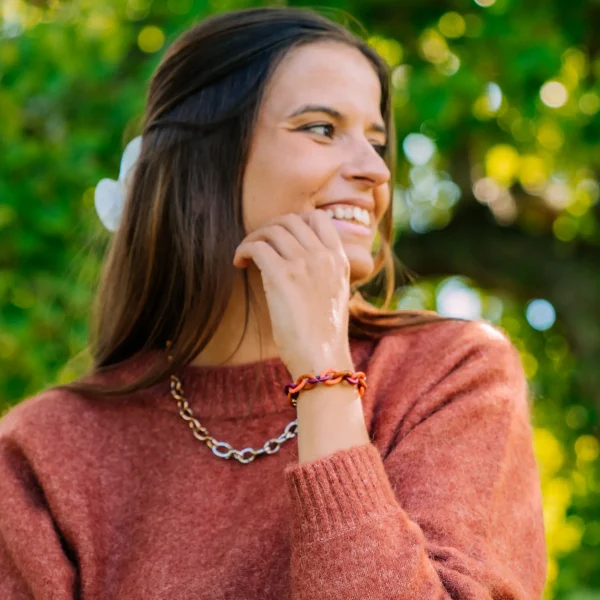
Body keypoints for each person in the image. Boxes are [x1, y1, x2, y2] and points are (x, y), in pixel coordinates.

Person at [0, 6, 547, 599]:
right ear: (205, 161)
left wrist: (324, 373)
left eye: (377, 140)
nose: (372, 170)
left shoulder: (453, 376)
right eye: (320, 128)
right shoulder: (42, 454)